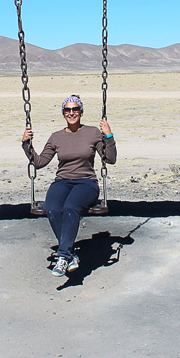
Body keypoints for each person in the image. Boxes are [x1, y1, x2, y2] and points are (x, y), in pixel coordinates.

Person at [22, 95, 117, 276]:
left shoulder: (93, 133)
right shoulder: (56, 137)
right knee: (52, 208)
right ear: (63, 113)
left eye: (75, 109)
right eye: (68, 110)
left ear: (81, 112)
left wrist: (109, 135)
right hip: (63, 181)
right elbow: (40, 162)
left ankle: (63, 255)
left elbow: (110, 159)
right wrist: (26, 144)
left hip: (86, 182)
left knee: (71, 207)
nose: (71, 113)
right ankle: (69, 254)